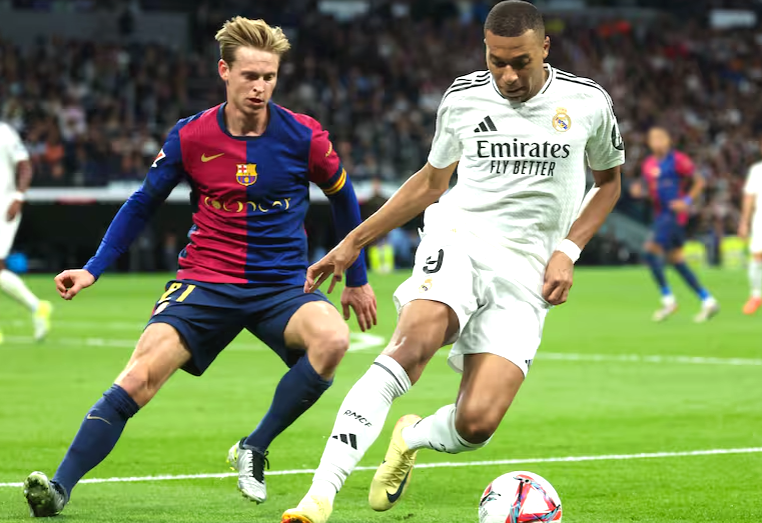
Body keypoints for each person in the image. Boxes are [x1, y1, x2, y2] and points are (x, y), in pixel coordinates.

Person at [281, 2, 623, 522]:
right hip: (460, 238)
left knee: (476, 424)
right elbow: (431, 182)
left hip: (528, 270)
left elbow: (609, 183)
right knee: (411, 345)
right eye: (496, 61)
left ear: (545, 48)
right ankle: (319, 496)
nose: (508, 76)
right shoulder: (463, 97)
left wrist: (568, 250)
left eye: (520, 62)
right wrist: (354, 241)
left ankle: (411, 437)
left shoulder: (587, 101)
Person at [23, 17, 376, 518]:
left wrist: (356, 279)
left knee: (333, 340)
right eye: (250, 75)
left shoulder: (304, 136)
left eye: (269, 77)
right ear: (224, 71)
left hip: (280, 287)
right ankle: (58, 488)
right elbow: (143, 203)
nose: (260, 87)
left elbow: (344, 198)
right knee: (139, 377)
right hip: (206, 282)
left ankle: (254, 446)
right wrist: (93, 268)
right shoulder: (191, 135)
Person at [636, 127, 719, 322]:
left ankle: (668, 300)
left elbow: (699, 181)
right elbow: (651, 190)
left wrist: (687, 201)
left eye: (661, 137)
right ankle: (708, 300)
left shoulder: (678, 159)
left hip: (673, 215)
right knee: (677, 261)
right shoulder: (648, 164)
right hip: (660, 215)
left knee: (650, 251)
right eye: (653, 138)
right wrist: (641, 191)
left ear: (668, 140)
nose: (657, 141)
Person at [0, 121, 52, 345]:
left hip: (3, 206)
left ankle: (37, 307)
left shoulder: (4, 132)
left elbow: (25, 166)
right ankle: (37, 307)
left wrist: (18, 197)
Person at [738, 135, 762, 314]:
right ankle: (755, 295)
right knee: (757, 257)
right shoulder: (757, 170)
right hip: (760, 220)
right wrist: (744, 222)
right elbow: (749, 197)